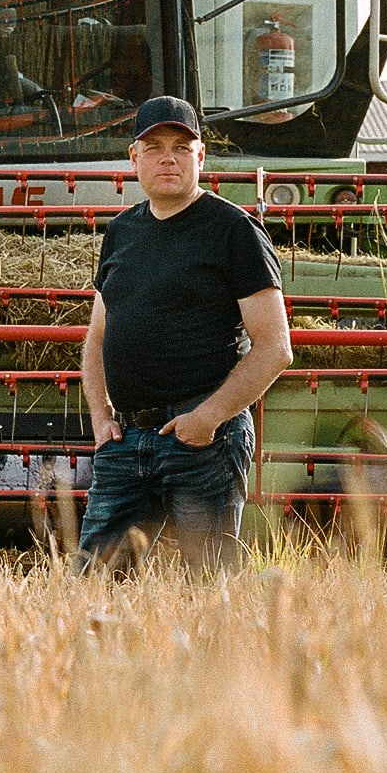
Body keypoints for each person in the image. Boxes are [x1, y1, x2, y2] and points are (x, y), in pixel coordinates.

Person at [77, 95, 291, 569]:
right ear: (134, 158)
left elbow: (275, 347)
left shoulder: (234, 230)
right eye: (153, 147)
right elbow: (96, 338)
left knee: (207, 591)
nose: (167, 157)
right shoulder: (121, 233)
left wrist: (208, 418)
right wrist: (100, 417)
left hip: (201, 441)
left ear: (200, 157)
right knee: (92, 586)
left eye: (180, 146)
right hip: (125, 441)